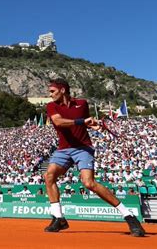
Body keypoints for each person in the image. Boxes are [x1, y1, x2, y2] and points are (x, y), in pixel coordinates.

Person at [43, 78, 145, 237]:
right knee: (49, 176)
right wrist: (83, 121)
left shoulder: (82, 104)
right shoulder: (51, 106)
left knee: (88, 183)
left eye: (52, 91)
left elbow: (83, 122)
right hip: (63, 149)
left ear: (62, 90)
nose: (50, 94)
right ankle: (59, 218)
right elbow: (59, 122)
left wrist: (92, 124)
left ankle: (129, 216)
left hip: (83, 148)